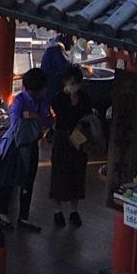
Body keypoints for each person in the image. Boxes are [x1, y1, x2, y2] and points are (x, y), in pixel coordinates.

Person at [0, 67, 50, 232]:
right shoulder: (19, 101)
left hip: (30, 143)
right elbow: (16, 123)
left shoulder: (39, 100)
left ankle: (23, 217)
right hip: (16, 144)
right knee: (9, 179)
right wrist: (37, 119)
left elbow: (48, 121)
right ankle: (3, 212)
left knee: (29, 179)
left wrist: (33, 116)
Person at [48, 65, 96, 228]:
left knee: (77, 173)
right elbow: (62, 118)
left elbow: (88, 116)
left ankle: (74, 210)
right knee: (59, 173)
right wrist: (73, 105)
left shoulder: (85, 97)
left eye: (78, 82)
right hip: (62, 138)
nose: (75, 85)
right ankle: (57, 211)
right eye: (72, 82)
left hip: (79, 139)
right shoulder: (57, 98)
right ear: (65, 81)